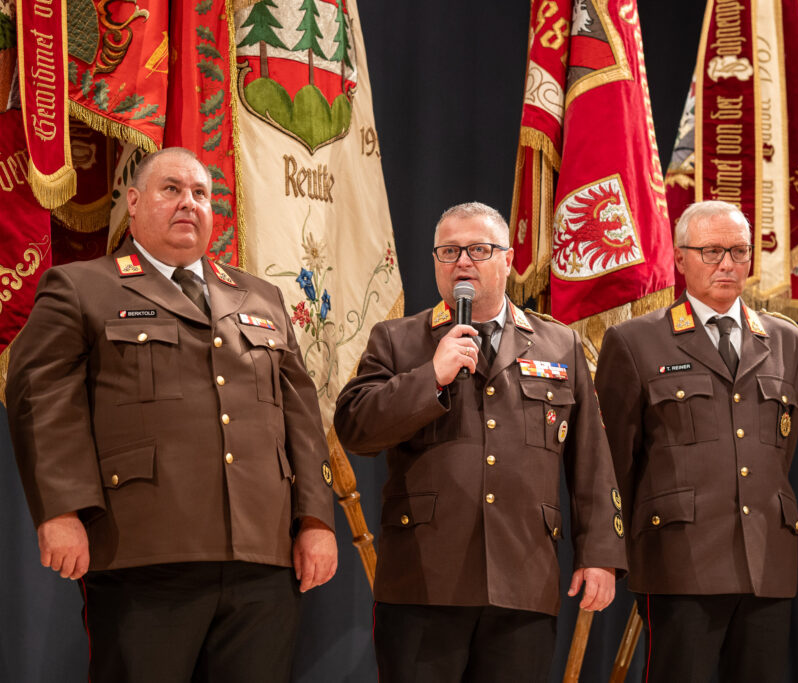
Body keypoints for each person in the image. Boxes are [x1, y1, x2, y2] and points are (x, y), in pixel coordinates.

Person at [5, 147, 338, 683]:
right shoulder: (82, 287)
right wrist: (60, 510)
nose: (189, 202)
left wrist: (317, 521)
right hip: (144, 552)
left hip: (263, 554)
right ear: (134, 203)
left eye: (201, 193)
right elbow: (41, 400)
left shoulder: (262, 297)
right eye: (172, 189)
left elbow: (301, 418)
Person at [334, 201, 625, 682]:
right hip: (423, 583)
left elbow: (591, 459)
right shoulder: (398, 339)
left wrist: (599, 555)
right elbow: (355, 429)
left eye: (478, 249)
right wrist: (430, 376)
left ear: (508, 260)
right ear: (435, 262)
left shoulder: (559, 344)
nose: (463, 262)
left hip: (524, 579)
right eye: (449, 251)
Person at [595, 200, 798, 682]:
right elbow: (615, 464)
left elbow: (781, 451)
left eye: (738, 251)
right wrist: (613, 552)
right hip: (678, 559)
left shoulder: (788, 341)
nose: (726, 264)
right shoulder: (635, 341)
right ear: (679, 258)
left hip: (766, 562)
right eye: (711, 251)